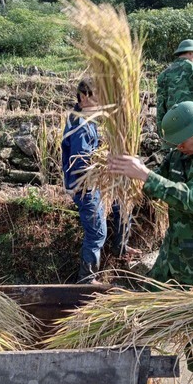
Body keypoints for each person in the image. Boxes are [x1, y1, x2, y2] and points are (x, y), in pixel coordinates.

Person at [108, 100, 193, 384]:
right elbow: (159, 184)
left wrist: (146, 176)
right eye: (174, 143)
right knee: (145, 310)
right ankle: (146, 381)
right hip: (172, 250)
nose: (178, 147)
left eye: (182, 141)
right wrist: (136, 173)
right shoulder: (179, 155)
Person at [61, 78, 139, 284]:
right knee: (97, 233)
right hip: (85, 186)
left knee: (123, 203)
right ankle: (87, 278)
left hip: (96, 182)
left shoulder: (88, 119)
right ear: (84, 97)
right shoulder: (80, 125)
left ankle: (120, 248)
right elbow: (81, 163)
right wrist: (107, 162)